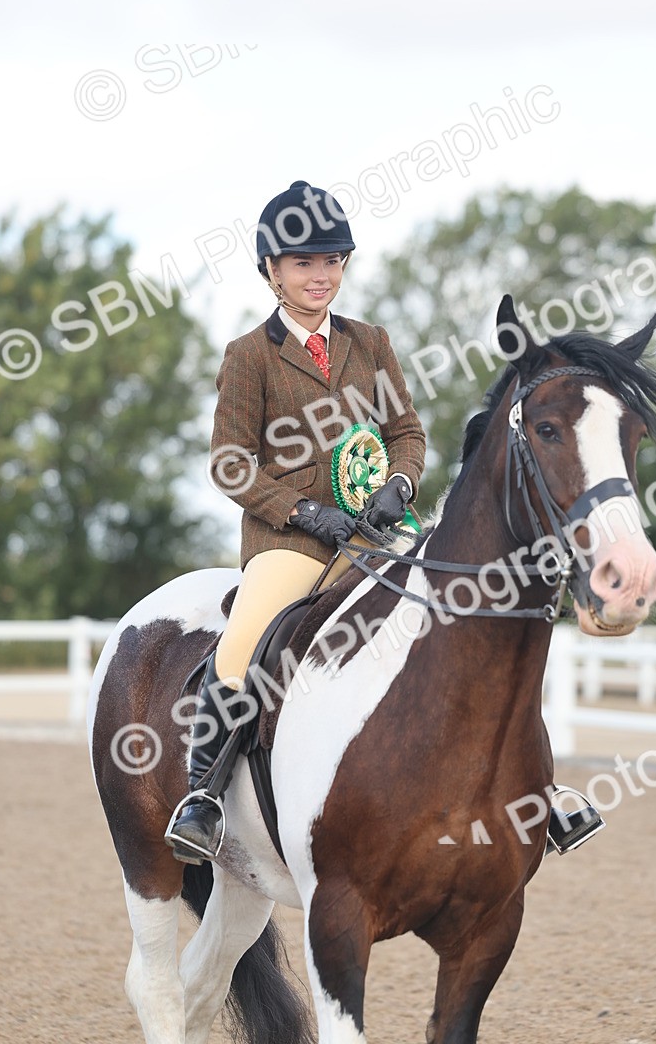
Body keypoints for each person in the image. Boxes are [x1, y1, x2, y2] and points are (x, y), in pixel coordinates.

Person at [166, 181, 426, 863]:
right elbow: (228, 463)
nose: (322, 275)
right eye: (306, 263)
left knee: (458, 611)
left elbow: (406, 431)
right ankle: (203, 795)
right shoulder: (249, 355)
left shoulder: (370, 342)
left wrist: (399, 484)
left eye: (334, 260)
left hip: (375, 533)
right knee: (243, 642)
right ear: (272, 271)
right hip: (291, 542)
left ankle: (529, 788)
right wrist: (304, 511)